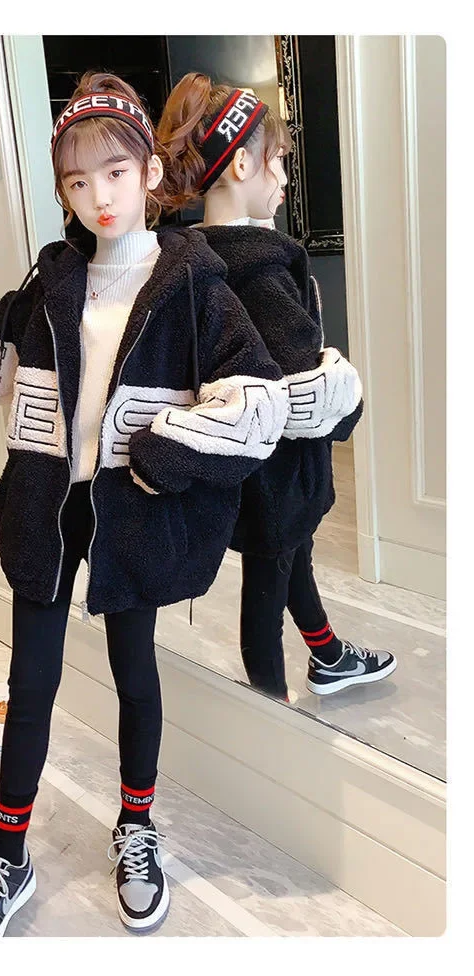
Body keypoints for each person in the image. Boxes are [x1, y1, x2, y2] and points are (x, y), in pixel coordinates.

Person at [0, 72, 289, 937]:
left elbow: (256, 401)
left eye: (115, 173)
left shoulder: (194, 284)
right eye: (78, 182)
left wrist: (162, 452)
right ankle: (8, 855)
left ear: (149, 173)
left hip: (135, 510)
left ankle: (136, 828)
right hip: (47, 505)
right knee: (33, 681)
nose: (98, 197)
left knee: (135, 675)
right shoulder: (53, 282)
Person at [158, 74, 397, 702]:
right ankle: (271, 707)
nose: (286, 177)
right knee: (267, 590)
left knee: (292, 559)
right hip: (279, 472)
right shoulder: (259, 268)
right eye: (280, 160)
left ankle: (329, 655)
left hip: (246, 469)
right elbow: (303, 383)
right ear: (241, 164)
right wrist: (343, 393)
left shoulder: (196, 260)